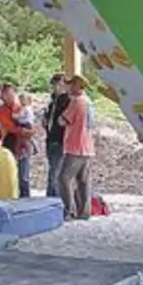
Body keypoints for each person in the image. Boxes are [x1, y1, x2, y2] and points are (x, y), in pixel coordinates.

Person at [56, 75, 98, 220]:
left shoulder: (76, 102)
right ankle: (85, 211)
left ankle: (68, 210)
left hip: (75, 146)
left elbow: (63, 120)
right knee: (83, 180)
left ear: (77, 86)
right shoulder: (89, 102)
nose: (67, 87)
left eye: (70, 85)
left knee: (63, 178)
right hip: (87, 146)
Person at [0, 84, 35, 197]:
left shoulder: (23, 106)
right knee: (9, 172)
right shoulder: (0, 110)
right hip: (10, 141)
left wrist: (30, 131)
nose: (10, 96)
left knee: (23, 174)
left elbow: (32, 123)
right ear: (2, 95)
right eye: (7, 94)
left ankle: (25, 197)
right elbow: (9, 126)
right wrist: (23, 131)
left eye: (12, 93)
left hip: (24, 141)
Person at [42, 73, 70, 199]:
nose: (56, 88)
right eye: (54, 85)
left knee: (56, 172)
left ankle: (54, 199)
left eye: (58, 84)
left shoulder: (67, 101)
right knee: (52, 170)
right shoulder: (52, 102)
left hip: (61, 140)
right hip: (50, 138)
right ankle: (51, 197)